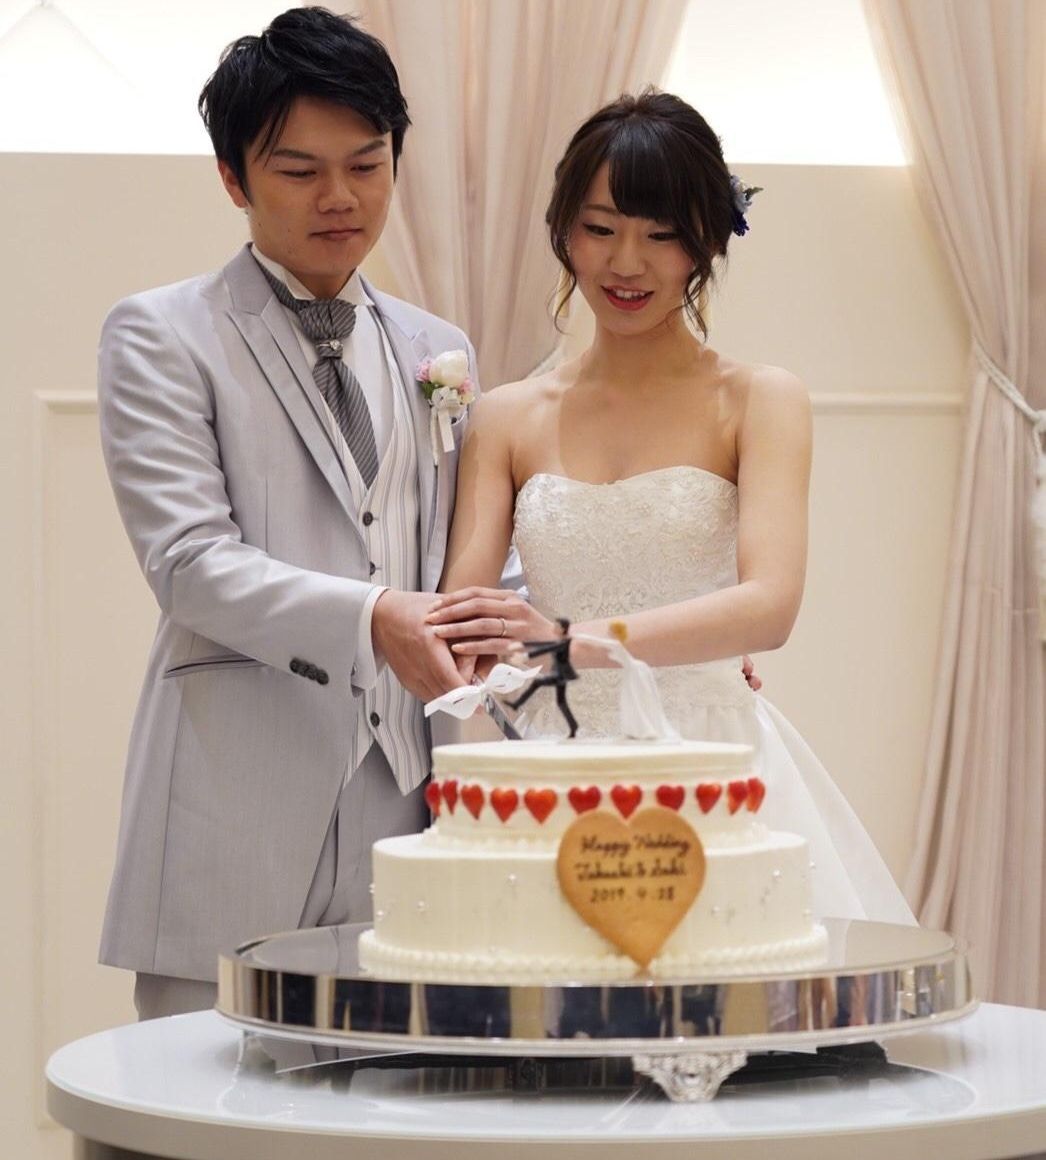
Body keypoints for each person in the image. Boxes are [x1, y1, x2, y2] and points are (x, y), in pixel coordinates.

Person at [428, 90, 914, 924]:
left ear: (707, 242)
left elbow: (770, 605)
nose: (627, 263)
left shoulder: (759, 399)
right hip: (552, 764)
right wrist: (500, 654)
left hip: (711, 760)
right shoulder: (505, 415)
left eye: (661, 235)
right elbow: (464, 618)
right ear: (563, 232)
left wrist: (571, 642)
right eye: (601, 228)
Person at [97, 7, 491, 1020]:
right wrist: (372, 619)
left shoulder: (437, 347)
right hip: (231, 807)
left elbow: (465, 555)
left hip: (412, 811)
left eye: (366, 164)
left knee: (400, 1083)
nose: (340, 197)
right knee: (201, 1088)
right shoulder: (160, 335)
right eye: (299, 169)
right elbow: (188, 563)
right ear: (234, 178)